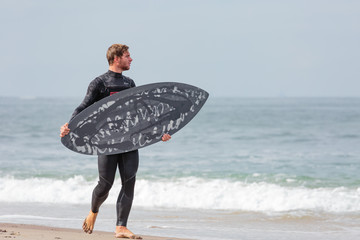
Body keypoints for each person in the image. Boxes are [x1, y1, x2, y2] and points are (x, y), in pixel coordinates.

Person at [60, 44, 171, 239]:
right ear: (116, 58)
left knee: (129, 181)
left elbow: (141, 114)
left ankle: (121, 227)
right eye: (127, 56)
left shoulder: (129, 83)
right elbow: (83, 108)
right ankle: (94, 211)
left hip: (129, 141)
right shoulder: (99, 83)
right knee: (105, 184)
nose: (131, 59)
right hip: (107, 142)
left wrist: (159, 132)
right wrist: (68, 126)